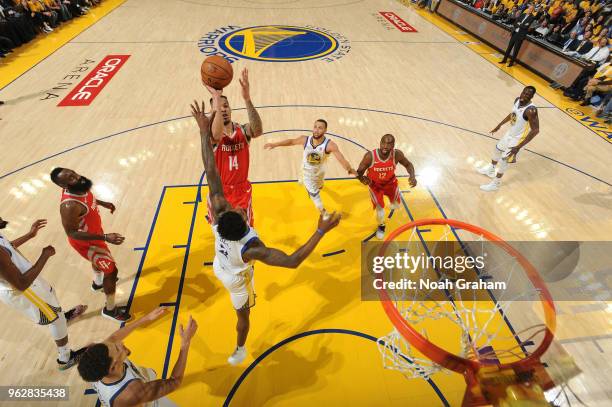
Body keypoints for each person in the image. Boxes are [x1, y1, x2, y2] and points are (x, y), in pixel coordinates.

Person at [191, 101, 341, 365]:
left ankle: (239, 349)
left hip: (219, 265)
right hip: (236, 280)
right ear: (244, 225)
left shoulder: (218, 217)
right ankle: (240, 349)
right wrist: (320, 231)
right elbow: (293, 261)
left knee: (215, 187)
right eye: (241, 213)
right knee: (244, 317)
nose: (240, 210)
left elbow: (209, 169)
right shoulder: (251, 248)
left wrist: (203, 132)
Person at [0, 216, 87, 370]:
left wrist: (30, 235)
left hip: (27, 281)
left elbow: (8, 247)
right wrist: (44, 255)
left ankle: (60, 318)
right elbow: (21, 284)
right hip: (24, 291)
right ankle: (65, 358)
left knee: (53, 302)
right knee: (55, 318)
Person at [50, 168, 131, 322]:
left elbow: (89, 199)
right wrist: (105, 237)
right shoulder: (69, 206)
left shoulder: (79, 187)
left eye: (73, 173)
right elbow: (71, 233)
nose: (77, 177)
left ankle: (98, 283)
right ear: (63, 186)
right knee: (112, 271)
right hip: (86, 242)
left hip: (95, 235)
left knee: (100, 265)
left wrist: (102, 203)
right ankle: (110, 310)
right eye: (71, 178)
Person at [77, 307, 196, 407]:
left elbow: (113, 338)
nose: (120, 343)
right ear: (113, 367)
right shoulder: (131, 393)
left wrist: (146, 318)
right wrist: (185, 344)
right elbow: (175, 381)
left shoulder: (98, 360)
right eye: (118, 348)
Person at [206, 68, 263, 227]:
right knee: (222, 234)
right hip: (220, 193)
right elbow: (216, 135)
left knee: (246, 233)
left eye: (225, 106)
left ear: (230, 109)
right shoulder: (211, 136)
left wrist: (247, 99)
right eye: (218, 107)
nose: (223, 109)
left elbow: (258, 130)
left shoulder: (243, 131)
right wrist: (216, 97)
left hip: (242, 191)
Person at [263, 119, 357, 216]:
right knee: (315, 195)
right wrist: (274, 144)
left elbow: (341, 159)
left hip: (320, 171)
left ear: (325, 130)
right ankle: (325, 214)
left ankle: (318, 187)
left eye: (320, 128)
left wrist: (349, 169)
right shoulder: (305, 139)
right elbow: (291, 141)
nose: (316, 130)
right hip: (307, 173)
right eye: (315, 127)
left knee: (320, 186)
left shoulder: (330, 145)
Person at [478, 86, 540, 192]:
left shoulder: (531, 110)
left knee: (504, 160)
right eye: (524, 93)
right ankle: (491, 170)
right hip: (510, 133)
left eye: (528, 95)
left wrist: (518, 147)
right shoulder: (517, 100)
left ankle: (496, 184)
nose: (525, 96)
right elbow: (513, 114)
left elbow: (535, 130)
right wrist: (500, 125)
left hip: (518, 139)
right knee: (497, 149)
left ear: (532, 97)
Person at [355, 134, 417, 239]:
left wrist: (412, 176)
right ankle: (381, 226)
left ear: (393, 145)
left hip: (391, 183)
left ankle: (392, 203)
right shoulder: (370, 156)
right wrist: (362, 179)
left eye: (389, 144)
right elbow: (359, 172)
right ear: (380, 143)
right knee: (380, 210)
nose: (385, 146)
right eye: (383, 143)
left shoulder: (397, 154)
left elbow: (408, 164)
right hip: (375, 186)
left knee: (396, 205)